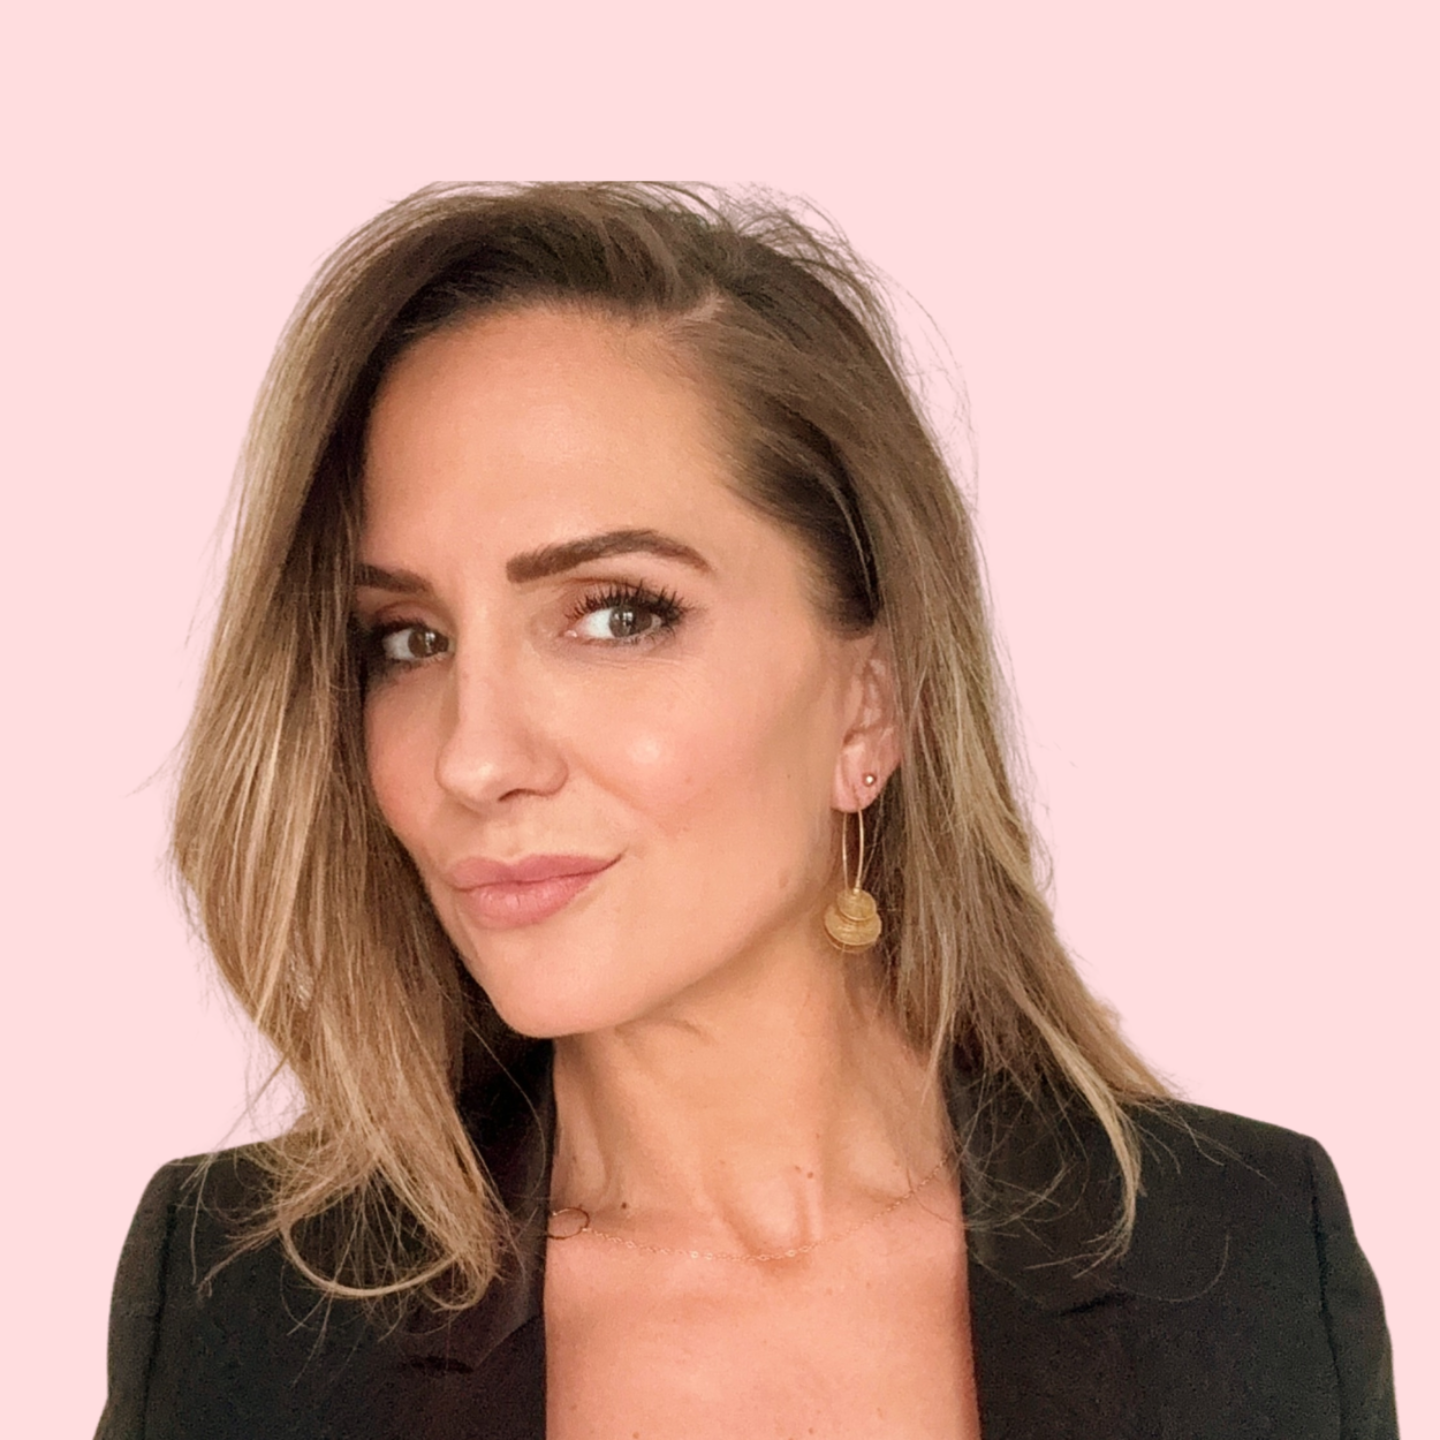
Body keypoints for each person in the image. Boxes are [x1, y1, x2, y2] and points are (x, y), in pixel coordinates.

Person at [96, 182, 1397, 1440]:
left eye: (617, 615)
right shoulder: (243, 1314)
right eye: (410, 638)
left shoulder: (1239, 1269)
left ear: (869, 703)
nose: (473, 759)